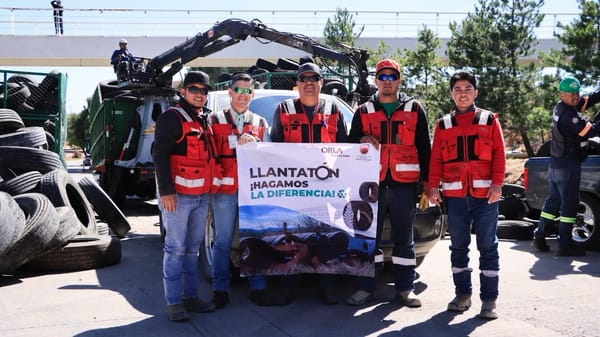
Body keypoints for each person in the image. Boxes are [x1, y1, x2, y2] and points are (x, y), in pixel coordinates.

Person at [346, 58, 431, 308]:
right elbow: (349, 145)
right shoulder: (363, 111)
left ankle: (405, 290)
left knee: (405, 239)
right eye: (382, 77)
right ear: (376, 81)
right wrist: (362, 137)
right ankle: (366, 289)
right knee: (368, 238)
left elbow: (425, 148)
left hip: (404, 185)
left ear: (399, 80)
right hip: (371, 185)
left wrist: (427, 184)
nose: (387, 82)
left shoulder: (414, 109)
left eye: (392, 77)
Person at [269, 62, 349, 305]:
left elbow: (347, 148)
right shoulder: (283, 109)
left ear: (321, 83)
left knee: (324, 238)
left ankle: (327, 286)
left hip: (327, 187)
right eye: (304, 79)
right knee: (293, 237)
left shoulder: (334, 109)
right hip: (294, 188)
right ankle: (288, 286)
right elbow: (272, 149)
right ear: (297, 84)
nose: (309, 83)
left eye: (314, 78)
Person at [428, 70, 505, 320]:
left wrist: (497, 185)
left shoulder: (489, 120)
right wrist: (432, 186)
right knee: (458, 247)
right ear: (452, 94)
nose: (463, 94)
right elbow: (436, 159)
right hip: (456, 197)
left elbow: (499, 155)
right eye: (458, 90)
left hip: (486, 197)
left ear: (476, 93)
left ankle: (489, 301)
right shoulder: (443, 124)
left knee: (488, 247)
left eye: (467, 89)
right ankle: (463, 295)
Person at [207, 72, 277, 308]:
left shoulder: (260, 123)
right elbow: (208, 155)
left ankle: (258, 288)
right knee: (223, 241)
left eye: (248, 91)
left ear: (252, 94)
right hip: (224, 192)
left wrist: (256, 145)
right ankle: (220, 289)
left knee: (255, 240)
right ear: (230, 92)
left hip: (252, 192)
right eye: (239, 90)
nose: (243, 95)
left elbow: (269, 156)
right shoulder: (214, 120)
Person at [152, 71, 217, 321]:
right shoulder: (172, 118)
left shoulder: (203, 120)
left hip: (202, 197)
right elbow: (160, 155)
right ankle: (174, 303)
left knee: (192, 251)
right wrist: (166, 192)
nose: (199, 94)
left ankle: (191, 298)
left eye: (203, 91)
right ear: (183, 92)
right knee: (175, 250)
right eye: (194, 89)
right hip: (178, 198)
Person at [531, 76, 600, 256]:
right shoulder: (569, 116)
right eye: (571, 94)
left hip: (556, 165)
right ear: (562, 94)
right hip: (568, 166)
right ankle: (565, 245)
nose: (575, 97)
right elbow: (589, 131)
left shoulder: (562, 107)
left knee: (553, 202)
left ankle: (539, 236)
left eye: (577, 93)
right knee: (569, 205)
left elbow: (586, 101)